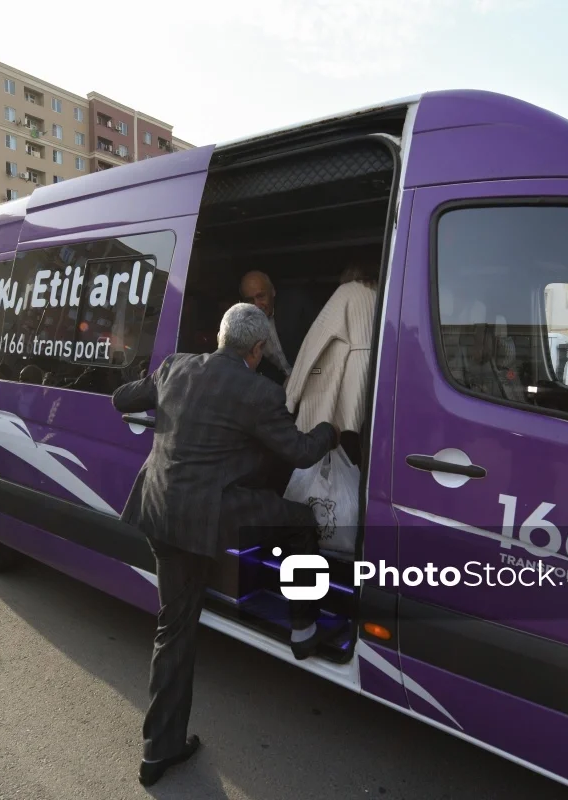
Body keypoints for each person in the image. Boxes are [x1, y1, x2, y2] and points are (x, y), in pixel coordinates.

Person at [112, 302, 340, 787]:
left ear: (220, 337)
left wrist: (149, 384)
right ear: (257, 349)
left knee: (173, 627)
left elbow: (122, 399)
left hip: (158, 508)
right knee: (299, 521)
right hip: (205, 517)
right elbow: (300, 453)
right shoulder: (258, 392)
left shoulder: (176, 366)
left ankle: (160, 748)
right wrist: (332, 430)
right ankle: (304, 628)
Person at [284, 263, 378, 465]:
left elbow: (315, 342)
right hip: (375, 371)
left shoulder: (346, 292)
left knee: (342, 444)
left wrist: (291, 396)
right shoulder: (382, 294)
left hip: (351, 376)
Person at [238, 270, 313, 385]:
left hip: (314, 372)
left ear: (272, 291)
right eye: (250, 300)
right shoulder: (245, 325)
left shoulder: (297, 305)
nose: (257, 305)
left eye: (261, 296)